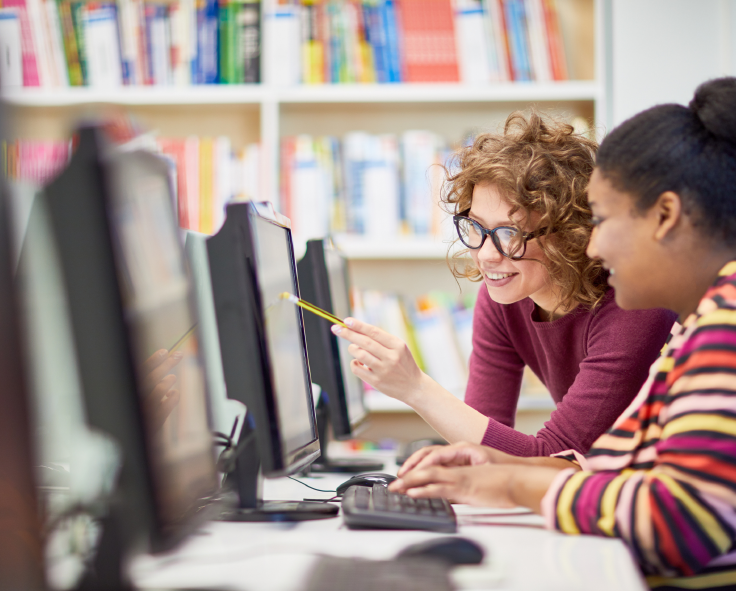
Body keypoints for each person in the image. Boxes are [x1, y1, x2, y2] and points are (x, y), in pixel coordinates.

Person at [390, 77, 736, 589]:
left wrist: (512, 481)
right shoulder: (697, 326)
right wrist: (504, 467)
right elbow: (625, 472)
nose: (592, 247)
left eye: (602, 220)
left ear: (664, 216)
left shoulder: (724, 328)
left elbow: (680, 521)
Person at [332, 111, 676, 456]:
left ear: (570, 234)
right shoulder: (502, 299)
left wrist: (417, 388)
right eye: (477, 227)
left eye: (509, 233)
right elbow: (483, 440)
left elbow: (557, 456)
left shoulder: (634, 306)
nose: (486, 255)